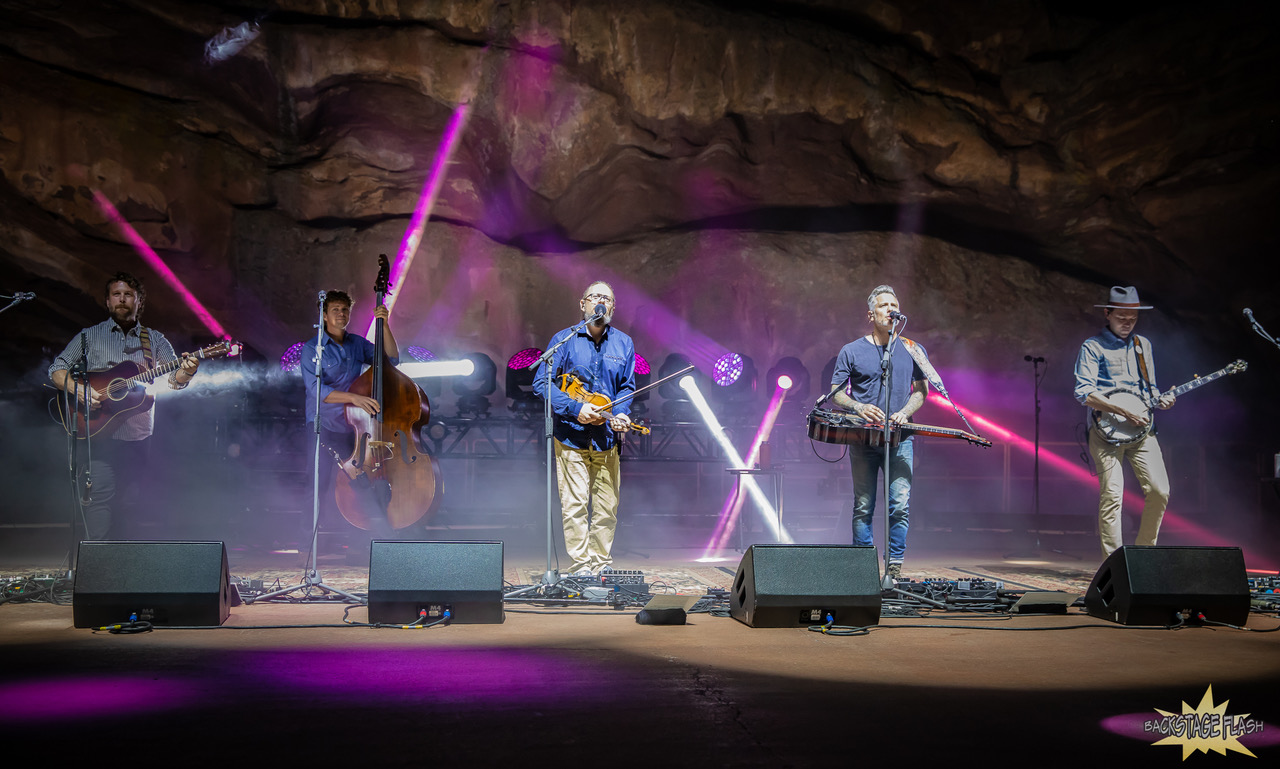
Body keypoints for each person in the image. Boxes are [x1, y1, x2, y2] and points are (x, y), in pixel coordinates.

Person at [49, 272, 200, 539]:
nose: (122, 299)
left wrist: (187, 371)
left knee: (132, 502)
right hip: (96, 433)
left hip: (138, 436)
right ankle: (101, 561)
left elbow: (174, 382)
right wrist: (80, 390)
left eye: (128, 295)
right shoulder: (88, 337)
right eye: (117, 294)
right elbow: (57, 370)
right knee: (100, 497)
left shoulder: (154, 340)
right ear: (107, 302)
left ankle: (125, 564)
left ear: (139, 302)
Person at [532, 281, 637, 577]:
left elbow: (626, 389)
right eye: (595, 297)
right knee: (575, 505)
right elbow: (542, 384)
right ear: (583, 304)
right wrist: (577, 408)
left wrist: (621, 414)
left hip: (606, 439)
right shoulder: (564, 339)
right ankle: (581, 568)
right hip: (570, 436)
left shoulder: (624, 343)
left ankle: (600, 565)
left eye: (607, 298)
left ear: (613, 307)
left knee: (606, 507)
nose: (600, 302)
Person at [828, 285, 928, 580]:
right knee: (863, 505)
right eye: (884, 305)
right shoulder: (851, 350)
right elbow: (835, 393)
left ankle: (894, 566)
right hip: (863, 438)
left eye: (894, 305)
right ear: (870, 314)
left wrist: (905, 412)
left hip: (900, 438)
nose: (890, 310)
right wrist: (858, 407)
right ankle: (863, 567)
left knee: (899, 504)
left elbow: (922, 391)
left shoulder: (912, 349)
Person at [1074, 285, 1174, 556]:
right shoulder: (1093, 347)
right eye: (1121, 317)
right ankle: (1114, 564)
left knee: (1159, 490)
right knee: (1112, 497)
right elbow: (1084, 392)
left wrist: (1161, 399)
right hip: (1105, 432)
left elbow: (1150, 388)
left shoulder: (1144, 346)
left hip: (1141, 431)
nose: (1128, 323)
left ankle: (1144, 555)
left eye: (1133, 318)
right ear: (1107, 313)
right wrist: (1123, 410)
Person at [299, 290, 398, 552]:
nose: (341, 314)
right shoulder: (313, 348)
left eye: (345, 310)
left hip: (353, 427)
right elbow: (317, 392)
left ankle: (364, 542)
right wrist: (354, 398)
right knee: (317, 485)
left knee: (359, 482)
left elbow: (390, 360)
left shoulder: (356, 343)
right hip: (323, 425)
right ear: (324, 314)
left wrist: (384, 325)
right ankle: (308, 546)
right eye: (335, 310)